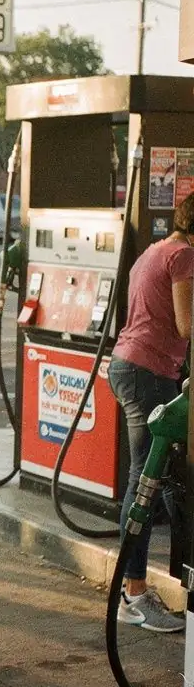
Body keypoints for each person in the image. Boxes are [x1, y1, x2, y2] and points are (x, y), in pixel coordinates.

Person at [107, 195, 194, 633]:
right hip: (149, 372)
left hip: (130, 365)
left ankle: (144, 586)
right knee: (145, 479)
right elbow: (186, 325)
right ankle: (134, 593)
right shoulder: (183, 256)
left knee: (164, 479)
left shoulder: (154, 251)